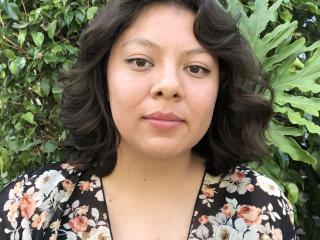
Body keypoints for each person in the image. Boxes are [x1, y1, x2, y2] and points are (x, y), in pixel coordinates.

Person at [0, 0, 297, 239]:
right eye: (140, 61)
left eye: (196, 68)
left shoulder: (261, 207)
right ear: (103, 77)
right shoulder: (31, 203)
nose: (169, 86)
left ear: (221, 87)